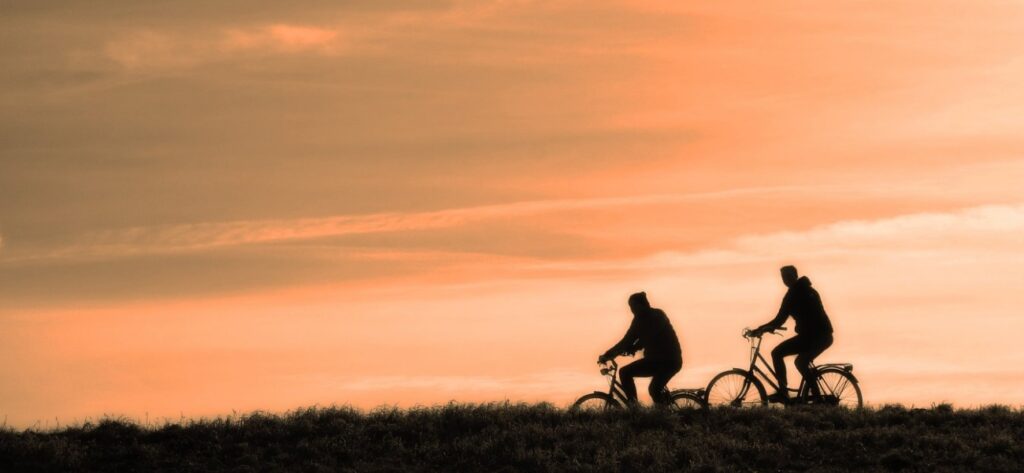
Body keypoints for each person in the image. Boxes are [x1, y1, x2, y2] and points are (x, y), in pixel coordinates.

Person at [749, 265, 834, 403]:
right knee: (785, 356)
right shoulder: (804, 291)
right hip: (813, 336)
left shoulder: (796, 294)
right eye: (783, 277)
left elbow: (779, 320)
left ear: (795, 275)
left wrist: (761, 329)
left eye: (788, 276)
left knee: (796, 360)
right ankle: (789, 393)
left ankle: (808, 396)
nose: (785, 280)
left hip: (818, 337)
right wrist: (763, 328)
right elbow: (780, 319)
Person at [598, 292, 683, 406]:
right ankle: (637, 409)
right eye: (630, 307)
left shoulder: (657, 315)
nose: (632, 310)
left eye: (633, 306)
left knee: (653, 389)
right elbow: (627, 340)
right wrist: (608, 355)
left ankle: (662, 415)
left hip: (670, 361)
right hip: (654, 361)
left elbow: (650, 335)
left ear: (643, 305)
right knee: (625, 372)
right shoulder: (638, 320)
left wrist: (632, 347)